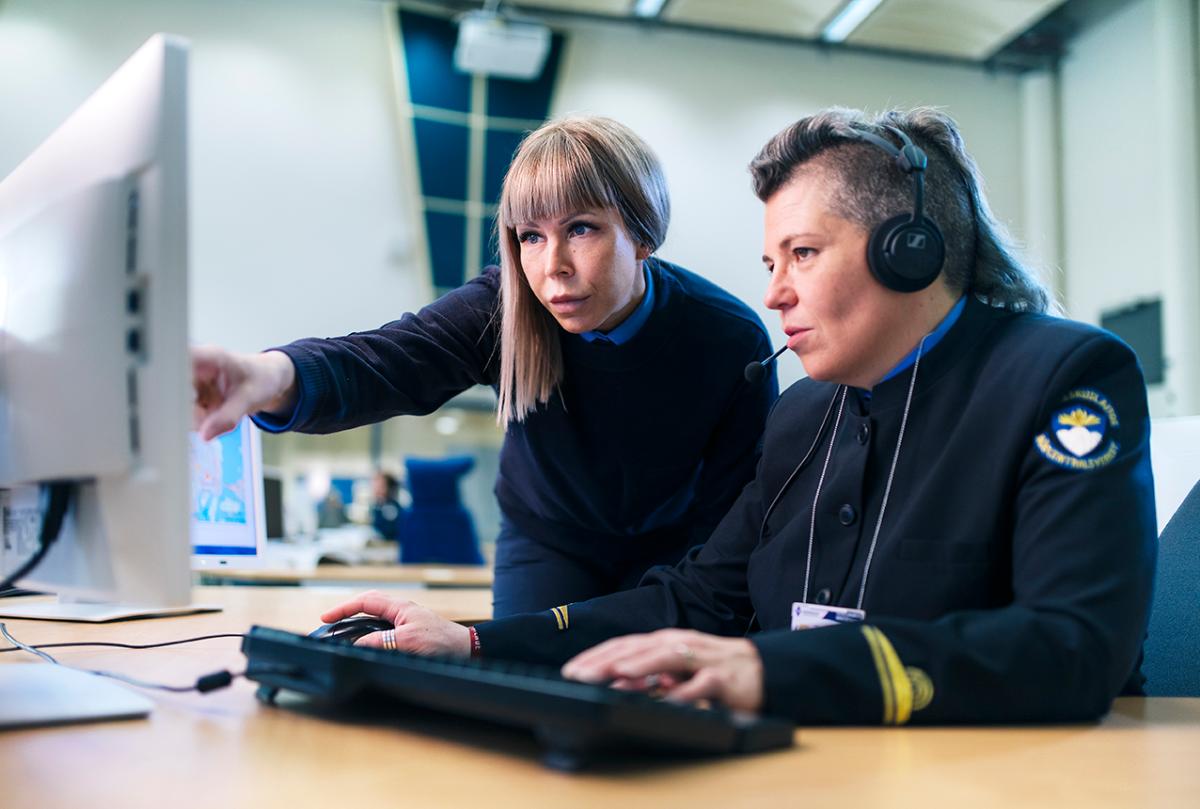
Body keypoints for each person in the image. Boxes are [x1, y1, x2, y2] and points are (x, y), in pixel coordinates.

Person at [318, 107, 1157, 725]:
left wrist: (767, 669)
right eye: (770, 260)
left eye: (802, 254)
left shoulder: (1064, 378)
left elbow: (1074, 650)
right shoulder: (802, 418)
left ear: (910, 250)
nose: (774, 292)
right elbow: (699, 599)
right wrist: (473, 642)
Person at [192, 116, 778, 617]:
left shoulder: (730, 338)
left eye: (581, 229)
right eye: (531, 236)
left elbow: (732, 513)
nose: (554, 267)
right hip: (548, 538)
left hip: (671, 547)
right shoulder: (506, 307)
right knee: (526, 697)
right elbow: (389, 359)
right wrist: (268, 376)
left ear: (643, 231)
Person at [369, 471, 404, 542]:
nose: (375, 489)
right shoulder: (378, 505)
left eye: (380, 486)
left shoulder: (391, 507)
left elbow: (391, 532)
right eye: (374, 485)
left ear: (389, 488)